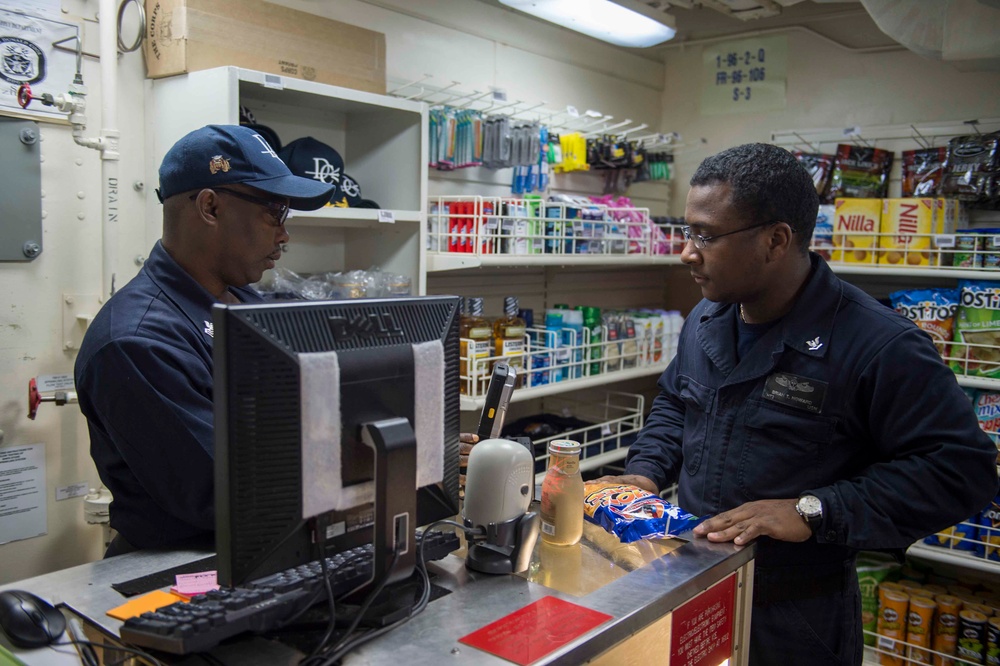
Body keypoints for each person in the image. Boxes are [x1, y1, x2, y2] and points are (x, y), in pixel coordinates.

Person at [594, 142, 999, 665]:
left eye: (705, 236)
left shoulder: (879, 345)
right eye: (687, 232)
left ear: (775, 240)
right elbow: (676, 400)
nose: (686, 252)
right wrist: (646, 470)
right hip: (695, 583)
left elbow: (960, 470)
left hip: (797, 616)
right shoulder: (708, 316)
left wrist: (815, 510)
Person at [74, 125, 334, 556]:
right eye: (275, 212)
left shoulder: (245, 303)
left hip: (275, 549)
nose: (285, 234)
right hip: (184, 574)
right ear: (210, 207)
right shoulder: (136, 343)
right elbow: (228, 491)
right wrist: (364, 457)